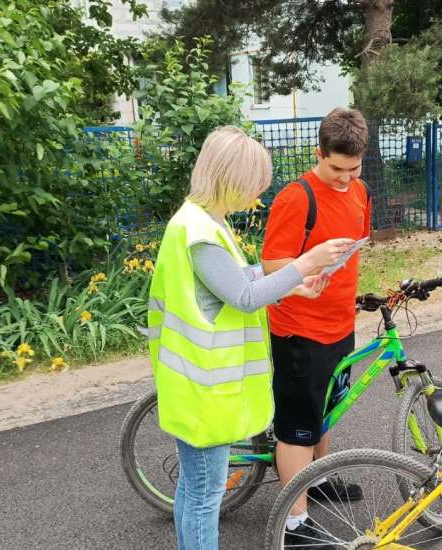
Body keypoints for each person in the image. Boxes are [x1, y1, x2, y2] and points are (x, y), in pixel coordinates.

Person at [147, 126, 353, 550]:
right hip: (206, 390)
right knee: (205, 497)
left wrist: (292, 282)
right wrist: (305, 263)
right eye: (253, 184)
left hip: (195, 385)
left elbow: (233, 282)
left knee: (193, 490)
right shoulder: (201, 233)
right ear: (231, 179)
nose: (257, 193)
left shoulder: (197, 221)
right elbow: (242, 297)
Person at [261, 107, 372, 546]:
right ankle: (296, 521)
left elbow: (353, 247)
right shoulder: (296, 197)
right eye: (336, 168)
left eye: (353, 168)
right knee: (297, 427)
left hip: (339, 322)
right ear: (318, 153)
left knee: (326, 411)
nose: (345, 178)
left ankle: (317, 480)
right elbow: (273, 265)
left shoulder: (360, 191)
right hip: (298, 328)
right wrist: (309, 265)